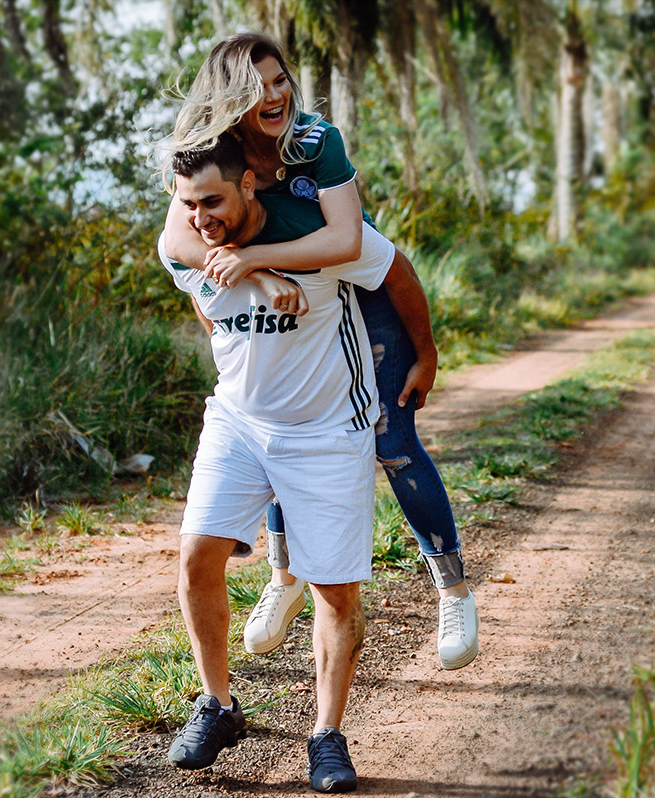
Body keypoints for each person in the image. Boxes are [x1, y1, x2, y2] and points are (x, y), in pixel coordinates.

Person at [164, 31, 478, 671]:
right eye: (259, 88)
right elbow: (177, 245)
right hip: (282, 283)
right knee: (280, 419)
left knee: (389, 440)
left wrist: (426, 352)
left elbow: (347, 240)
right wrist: (254, 278)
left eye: (281, 80)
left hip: (345, 275)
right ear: (228, 102)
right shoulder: (209, 153)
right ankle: (283, 581)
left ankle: (452, 590)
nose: (278, 95)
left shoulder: (314, 140)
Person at [161, 137, 433, 792]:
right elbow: (211, 313)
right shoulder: (190, 252)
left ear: (249, 186)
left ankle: (326, 735)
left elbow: (398, 274)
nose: (202, 218)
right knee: (197, 557)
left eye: (214, 200)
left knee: (333, 590)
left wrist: (424, 356)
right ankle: (218, 706)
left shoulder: (321, 238)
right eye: (189, 205)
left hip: (328, 428)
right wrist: (253, 278)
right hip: (238, 422)